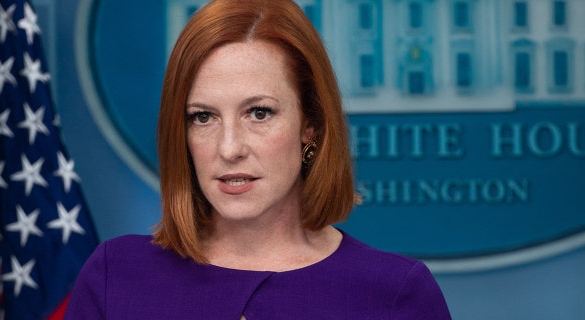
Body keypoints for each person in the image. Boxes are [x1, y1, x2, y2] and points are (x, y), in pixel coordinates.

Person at [65, 0, 452, 318]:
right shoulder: (114, 276)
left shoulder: (396, 294)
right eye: (203, 117)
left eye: (259, 113)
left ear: (310, 124)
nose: (229, 148)